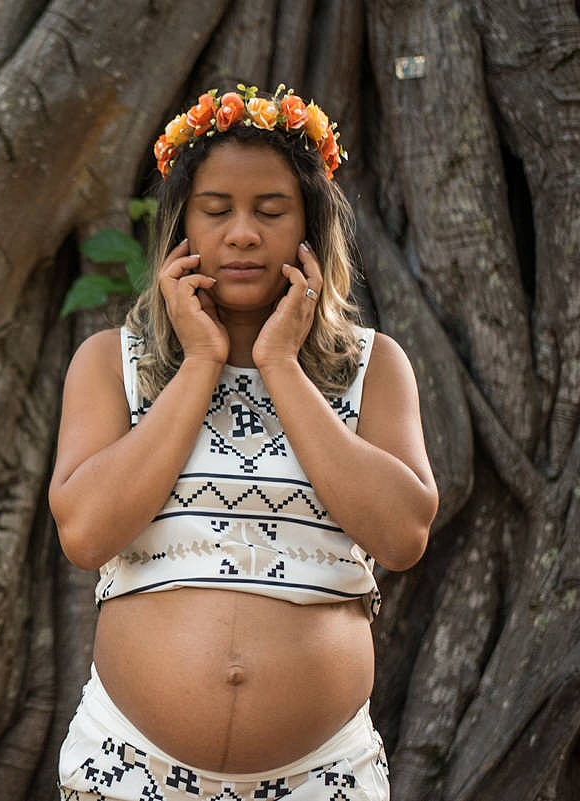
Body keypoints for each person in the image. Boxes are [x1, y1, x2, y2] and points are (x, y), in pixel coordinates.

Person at [48, 83, 438, 800]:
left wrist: (282, 367)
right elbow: (85, 532)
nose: (243, 234)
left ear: (310, 230)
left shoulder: (374, 367)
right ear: (181, 229)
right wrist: (199, 363)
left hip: (324, 777)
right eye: (216, 210)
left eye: (271, 210)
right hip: (129, 769)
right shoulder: (112, 363)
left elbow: (402, 533)